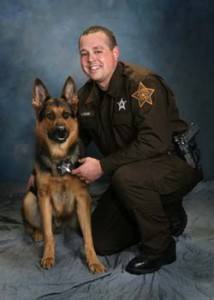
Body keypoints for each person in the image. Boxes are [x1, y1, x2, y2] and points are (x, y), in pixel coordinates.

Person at [71, 25, 203, 275]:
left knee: (126, 177)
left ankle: (161, 247)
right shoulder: (86, 96)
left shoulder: (142, 84)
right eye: (84, 53)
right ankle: (164, 213)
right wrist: (46, 166)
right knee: (101, 240)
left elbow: (155, 142)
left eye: (98, 51)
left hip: (173, 164)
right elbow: (76, 140)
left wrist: (101, 166)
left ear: (115, 52)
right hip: (131, 174)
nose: (91, 60)